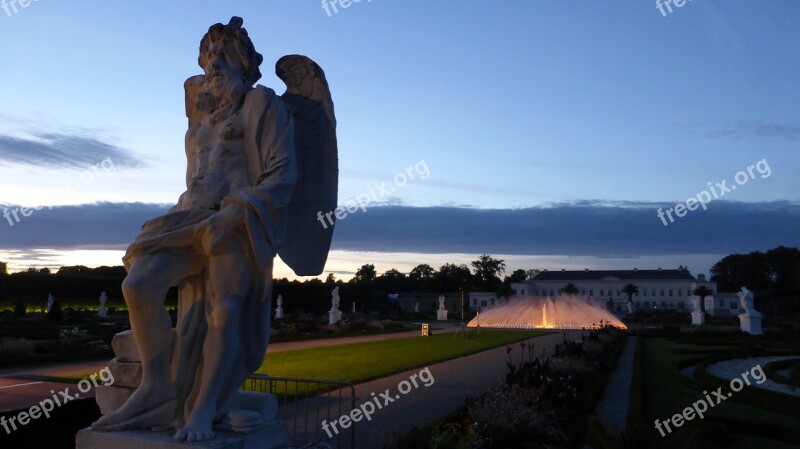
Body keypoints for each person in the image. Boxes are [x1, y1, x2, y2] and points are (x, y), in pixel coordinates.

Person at [93, 17, 337, 443]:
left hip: (241, 220)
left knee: (223, 312)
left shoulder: (266, 105)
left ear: (245, 65)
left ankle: (204, 409)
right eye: (209, 58)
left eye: (224, 56)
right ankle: (157, 385)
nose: (214, 65)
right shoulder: (200, 117)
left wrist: (234, 214)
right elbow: (196, 178)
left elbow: (282, 175)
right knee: (139, 284)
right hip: (191, 216)